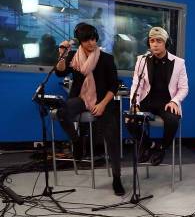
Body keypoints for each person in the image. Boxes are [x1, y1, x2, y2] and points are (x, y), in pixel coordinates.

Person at [55, 22, 124, 195]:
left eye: (93, 39)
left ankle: (117, 177)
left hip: (103, 101)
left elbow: (114, 85)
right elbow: (59, 72)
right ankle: (77, 141)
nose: (91, 43)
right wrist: (62, 55)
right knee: (61, 111)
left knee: (112, 135)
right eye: (87, 40)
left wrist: (102, 104)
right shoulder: (73, 56)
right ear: (80, 41)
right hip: (80, 98)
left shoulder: (106, 58)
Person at [127, 27, 188, 165]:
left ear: (166, 43)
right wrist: (135, 104)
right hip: (147, 101)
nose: (154, 44)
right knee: (129, 119)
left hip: (167, 102)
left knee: (173, 121)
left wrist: (175, 101)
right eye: (152, 40)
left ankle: (162, 148)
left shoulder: (178, 63)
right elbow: (137, 85)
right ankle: (149, 145)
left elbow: (184, 88)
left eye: (159, 41)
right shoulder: (142, 60)